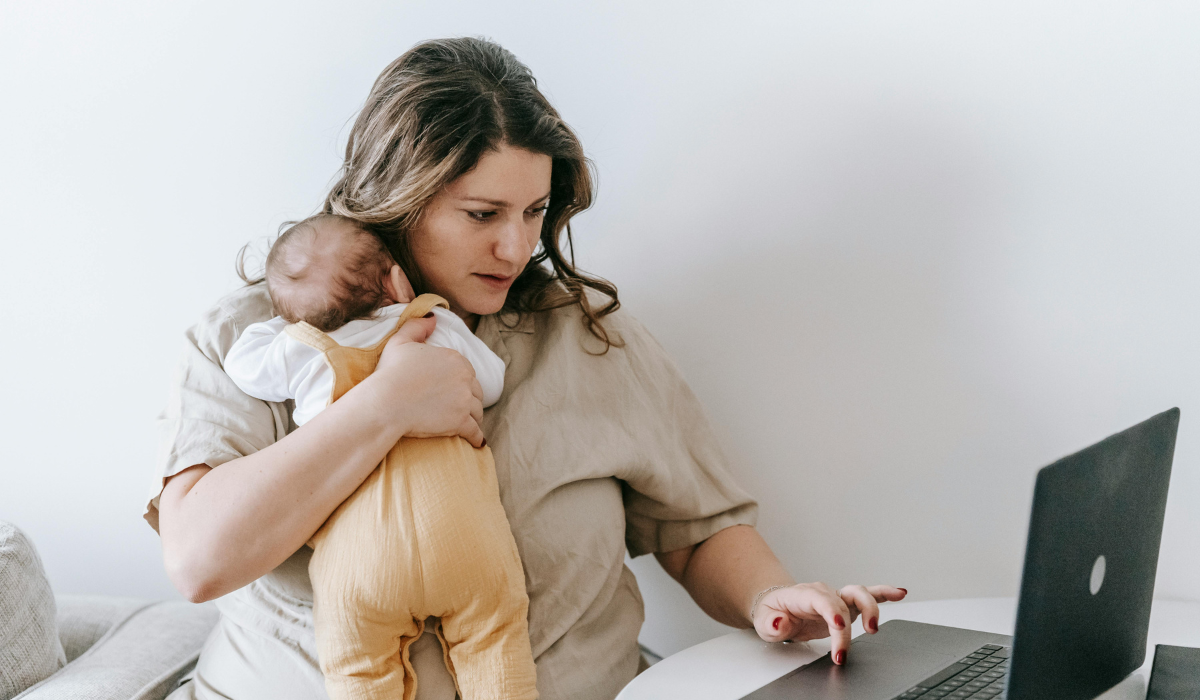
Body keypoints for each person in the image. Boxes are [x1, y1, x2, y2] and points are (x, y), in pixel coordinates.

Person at [145, 37, 906, 700]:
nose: (516, 248)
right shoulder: (259, 340)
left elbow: (696, 528)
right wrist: (384, 407)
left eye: (534, 212)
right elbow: (201, 559)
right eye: (482, 215)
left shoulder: (586, 339)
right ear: (395, 199)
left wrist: (770, 598)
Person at [223, 213, 536, 700]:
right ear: (396, 278)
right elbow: (490, 380)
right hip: (461, 538)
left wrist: (289, 323)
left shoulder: (304, 349)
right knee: (495, 642)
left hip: (361, 562)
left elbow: (243, 365)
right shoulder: (431, 324)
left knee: (358, 669)